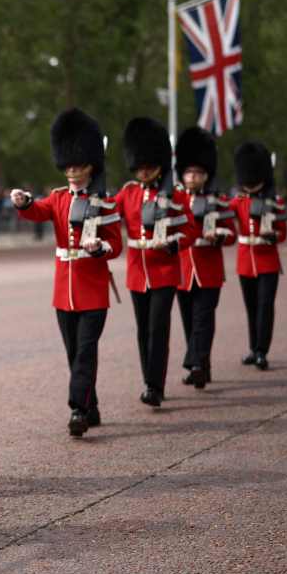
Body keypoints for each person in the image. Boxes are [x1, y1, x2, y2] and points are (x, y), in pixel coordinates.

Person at [10, 108, 122, 437]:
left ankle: (77, 409)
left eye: (79, 166)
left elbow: (116, 245)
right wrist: (23, 202)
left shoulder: (106, 202)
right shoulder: (58, 199)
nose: (72, 172)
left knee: (86, 350)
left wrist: (100, 248)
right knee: (74, 352)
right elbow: (37, 211)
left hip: (93, 288)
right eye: (69, 166)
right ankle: (92, 405)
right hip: (65, 290)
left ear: (91, 166)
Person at [114, 117, 198, 408]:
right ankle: (148, 379)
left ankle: (154, 385)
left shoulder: (174, 195)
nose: (144, 171)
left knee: (158, 327)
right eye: (140, 166)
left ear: (160, 164)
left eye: (149, 165)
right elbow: (110, 215)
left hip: (164, 270)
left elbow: (190, 230)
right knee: (142, 330)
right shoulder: (128, 193)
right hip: (138, 271)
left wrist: (173, 243)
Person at [174, 127, 237, 388]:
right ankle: (203, 368)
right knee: (190, 321)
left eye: (198, 173)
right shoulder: (175, 201)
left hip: (209, 268)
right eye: (189, 172)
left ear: (206, 175)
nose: (193, 177)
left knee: (203, 318)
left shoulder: (219, 201)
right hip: (183, 270)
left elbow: (231, 234)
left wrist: (219, 236)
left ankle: (197, 363)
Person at [228, 142, 287, 370]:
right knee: (251, 307)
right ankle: (254, 348)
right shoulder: (238, 201)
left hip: (268, 261)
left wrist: (272, 236)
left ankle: (262, 350)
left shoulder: (275, 202)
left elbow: (282, 233)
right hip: (245, 262)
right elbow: (223, 212)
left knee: (265, 305)